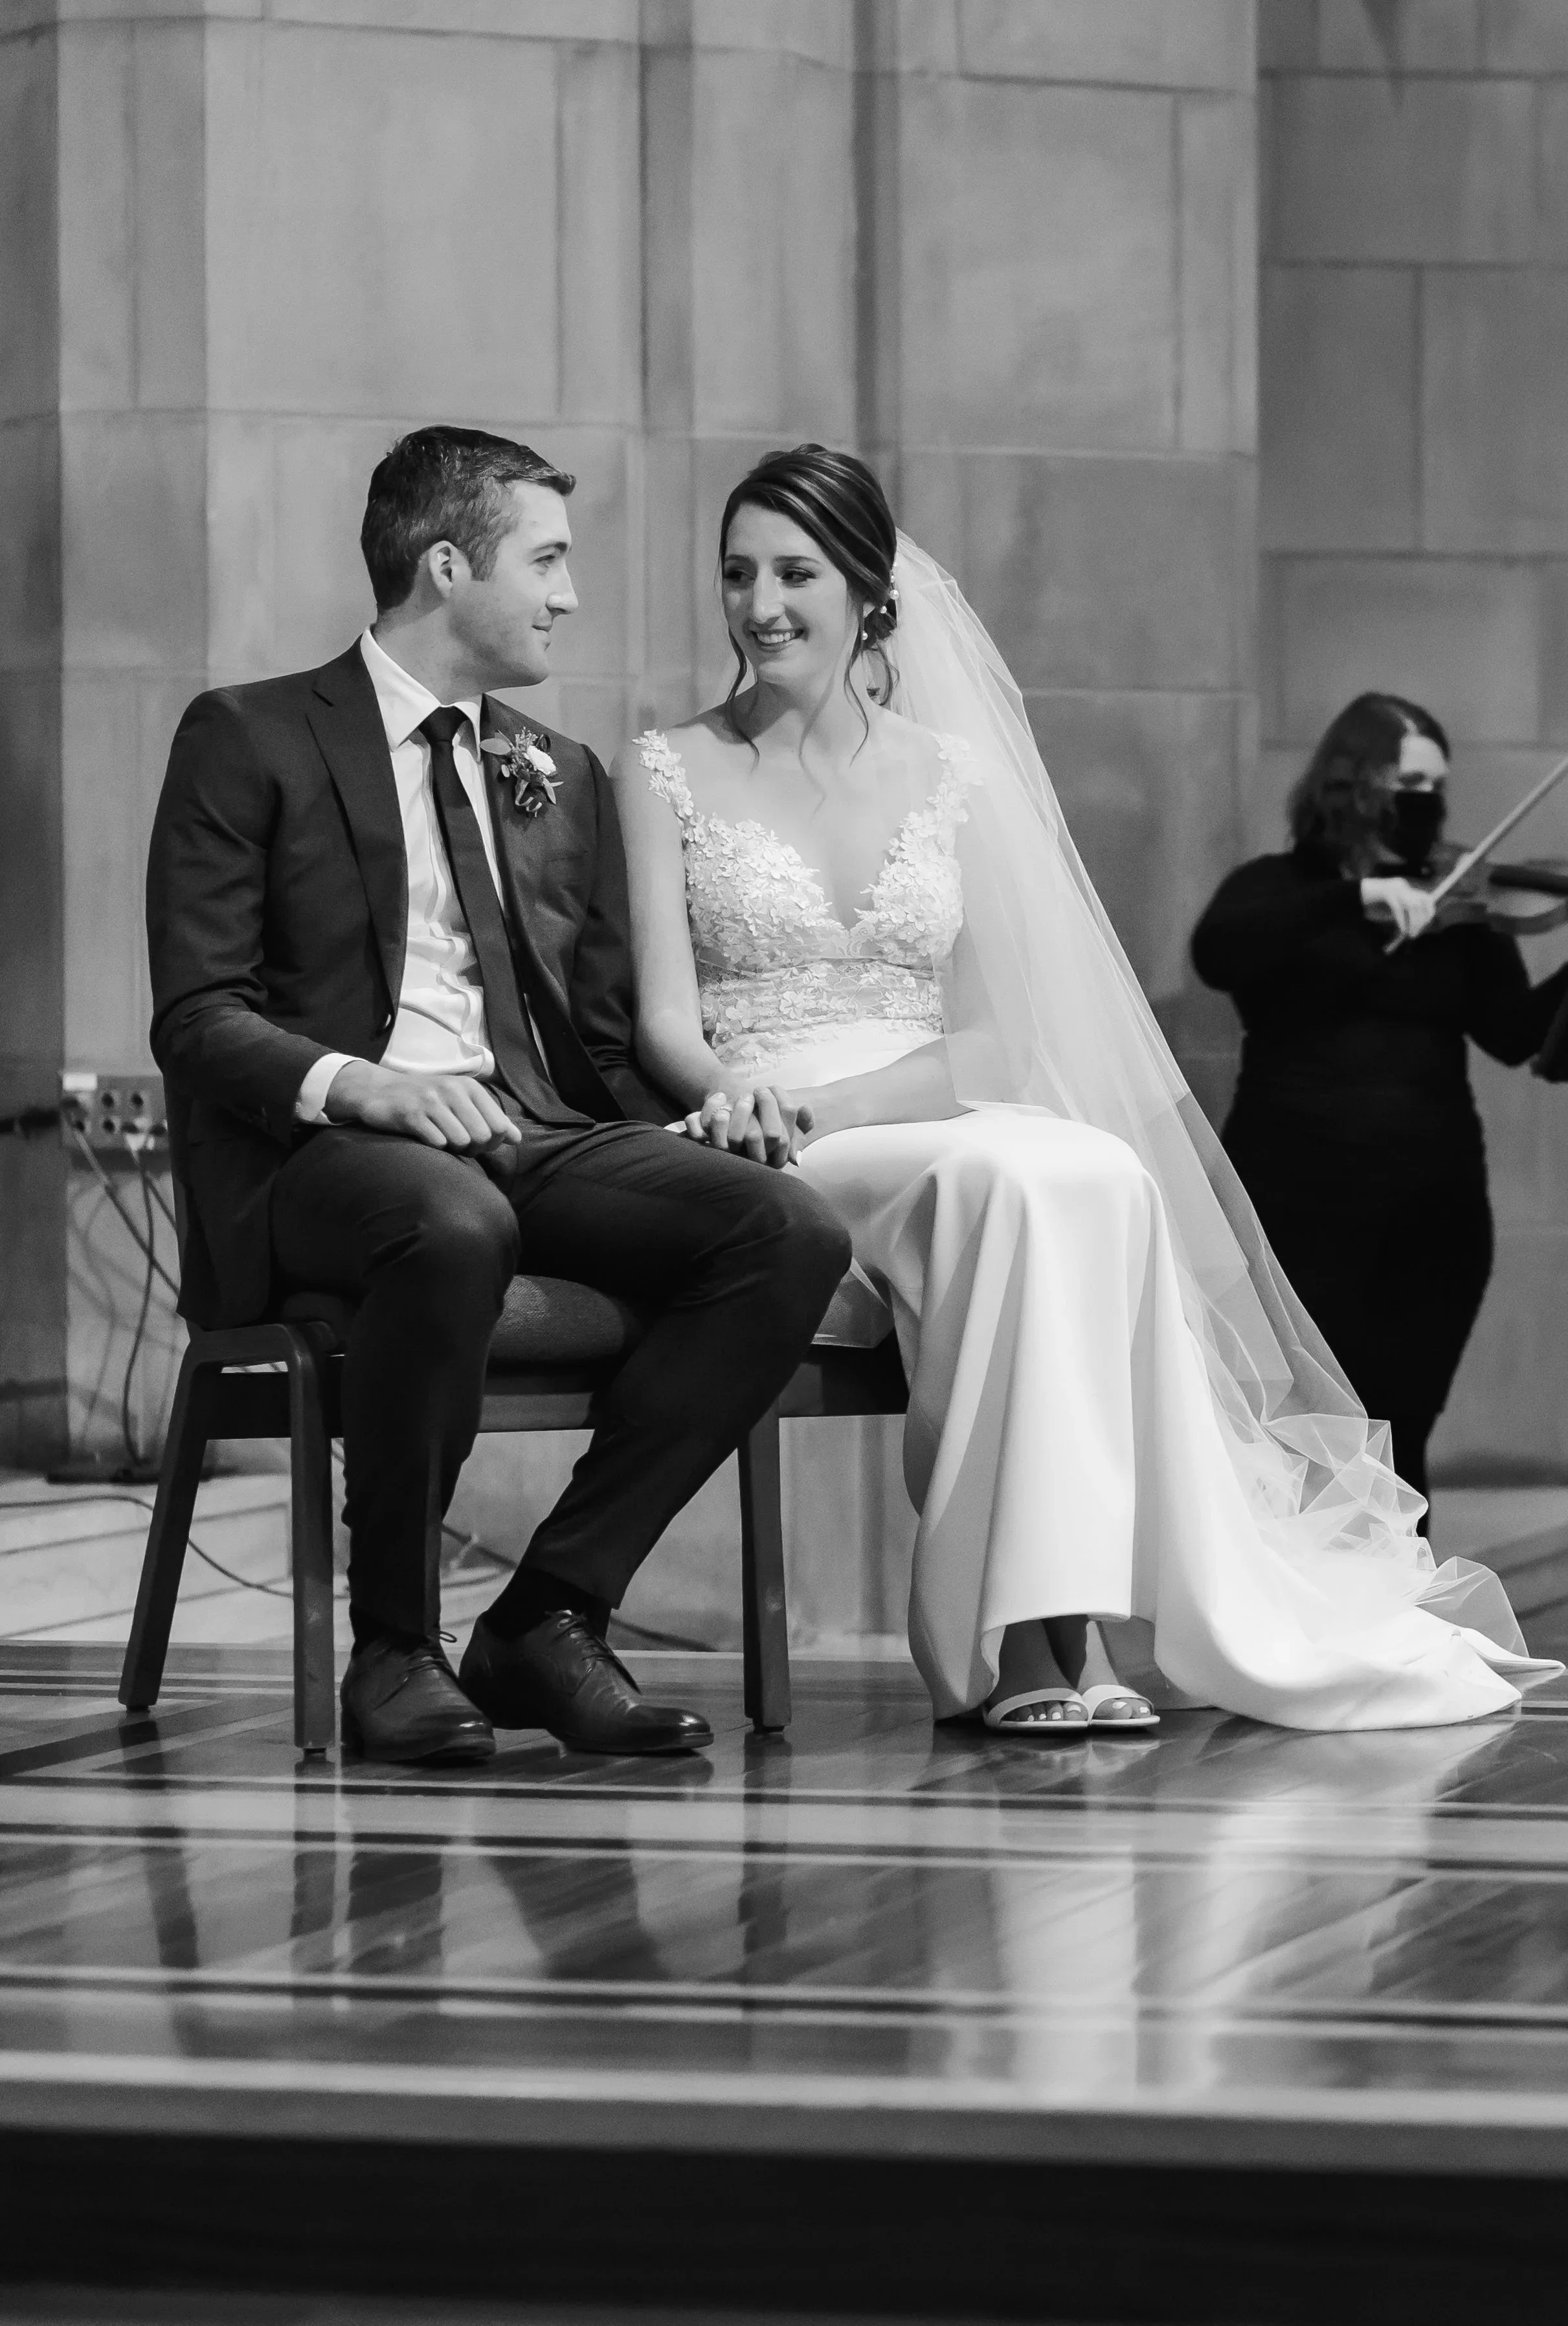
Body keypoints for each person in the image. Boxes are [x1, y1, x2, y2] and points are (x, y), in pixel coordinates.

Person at [614, 444, 1560, 1737]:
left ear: (865, 593)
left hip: (911, 1096)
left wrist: (854, 1105)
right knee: (1014, 1177)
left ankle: (1068, 1630)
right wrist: (740, 1094)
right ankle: (1013, 1641)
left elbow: (988, 1028)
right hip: (755, 1118)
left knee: (1095, 1170)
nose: (758, 603)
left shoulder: (943, 771)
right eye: (737, 573)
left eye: (795, 572)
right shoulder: (665, 767)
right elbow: (666, 1019)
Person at [146, 427, 851, 1767]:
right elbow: (198, 1019)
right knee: (448, 1221)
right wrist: (366, 1085)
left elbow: (590, 1038)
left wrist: (705, 1111)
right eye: (547, 558)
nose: (568, 594)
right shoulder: (249, 735)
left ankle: (548, 1612)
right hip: (324, 1156)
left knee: (783, 1229)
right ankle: (394, 1649)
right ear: (448, 563)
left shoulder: (555, 770)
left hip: (529, 1128)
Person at [1191, 695, 1568, 1524]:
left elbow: (1515, 1037)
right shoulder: (1277, 888)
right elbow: (1216, 951)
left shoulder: (1457, 903)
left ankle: (1403, 1627)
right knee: (1309, 1431)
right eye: (1408, 780)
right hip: (1296, 1209)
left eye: (1436, 784)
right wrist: (1353, 897)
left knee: (1405, 1429)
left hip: (1432, 1214)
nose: (1426, 800)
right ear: (1351, 779)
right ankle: (1297, 1635)